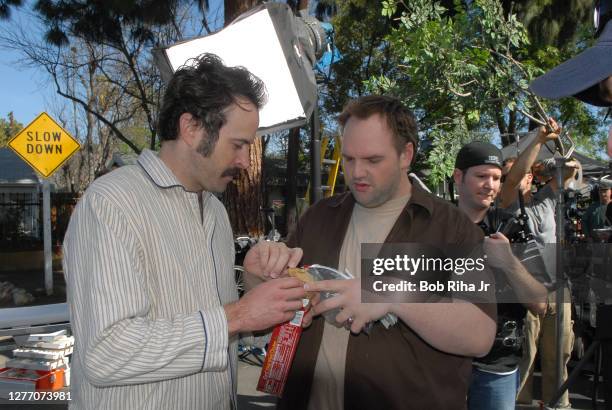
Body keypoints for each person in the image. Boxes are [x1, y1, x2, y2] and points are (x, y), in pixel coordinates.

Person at [63, 53, 307, 409]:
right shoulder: (112, 203)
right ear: (191, 128)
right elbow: (105, 352)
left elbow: (217, 327)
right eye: (237, 145)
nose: (244, 160)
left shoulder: (215, 212)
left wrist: (257, 290)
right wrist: (238, 314)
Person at [277, 95, 497, 410]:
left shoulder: (450, 229)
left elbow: (480, 334)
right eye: (349, 159)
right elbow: (283, 294)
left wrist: (392, 294)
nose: (356, 173)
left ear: (406, 154)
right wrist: (262, 274)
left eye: (373, 160)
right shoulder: (319, 216)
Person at [452, 141, 547, 410]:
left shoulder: (513, 228)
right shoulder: (436, 227)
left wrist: (508, 262)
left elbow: (541, 303)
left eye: (496, 178)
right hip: (443, 361)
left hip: (497, 367)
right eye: (481, 176)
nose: (491, 185)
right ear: (459, 177)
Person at [497, 120, 578, 408]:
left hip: (558, 291)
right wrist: (539, 139)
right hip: (527, 296)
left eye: (522, 173)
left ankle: (559, 405)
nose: (514, 177)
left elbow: (571, 169)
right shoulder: (506, 205)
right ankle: (522, 405)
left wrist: (552, 160)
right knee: (526, 359)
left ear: (532, 178)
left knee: (559, 359)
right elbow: (511, 180)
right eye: (509, 173)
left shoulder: (545, 199)